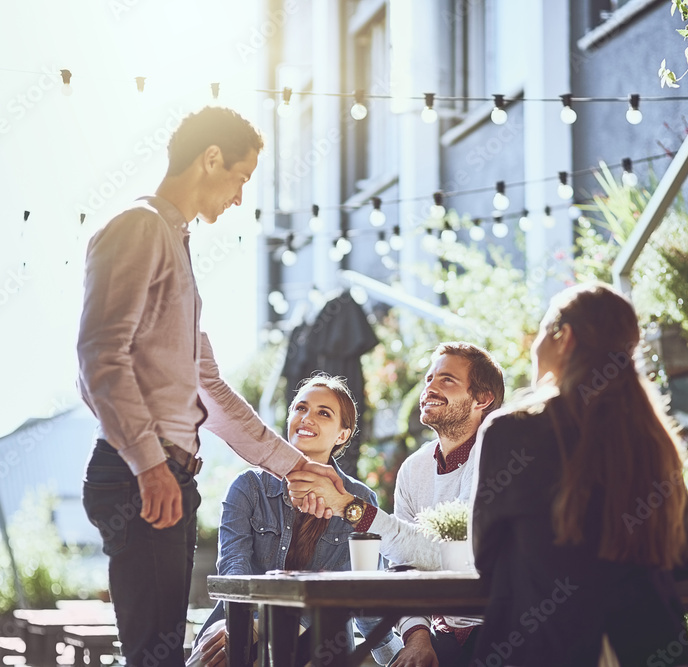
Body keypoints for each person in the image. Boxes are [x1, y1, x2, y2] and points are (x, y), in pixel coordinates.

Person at [77, 106, 343, 667]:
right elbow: (100, 356)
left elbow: (209, 388)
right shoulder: (139, 227)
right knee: (155, 657)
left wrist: (293, 464)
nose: (240, 197)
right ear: (211, 158)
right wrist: (150, 466)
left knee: (162, 655)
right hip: (140, 475)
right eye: (241, 178)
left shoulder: (174, 242)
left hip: (165, 473)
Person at [470, 282, 688, 666]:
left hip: (547, 647)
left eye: (544, 330)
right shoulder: (650, 436)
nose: (535, 344)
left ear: (565, 338)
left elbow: (486, 558)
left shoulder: (513, 432)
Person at [287, 342, 506, 667]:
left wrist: (349, 507)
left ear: (482, 399)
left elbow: (453, 557)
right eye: (429, 378)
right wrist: (416, 637)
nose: (429, 387)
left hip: (499, 628)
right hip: (438, 633)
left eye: (446, 380)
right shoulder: (414, 468)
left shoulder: (497, 458)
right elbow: (403, 565)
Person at [185, 375, 402, 667]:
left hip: (317, 636)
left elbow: (354, 589)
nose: (307, 418)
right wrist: (245, 626)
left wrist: (399, 653)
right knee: (219, 647)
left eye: (323, 413)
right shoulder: (249, 487)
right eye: (300, 408)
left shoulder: (357, 500)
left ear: (342, 435)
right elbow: (233, 572)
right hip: (240, 619)